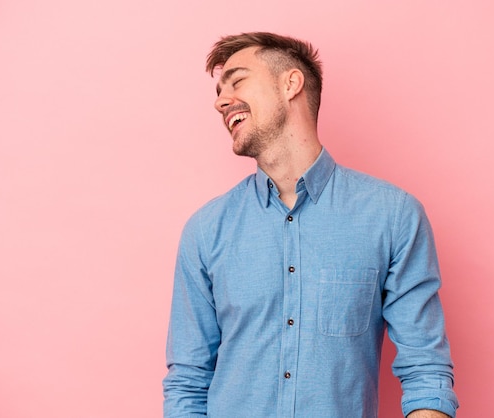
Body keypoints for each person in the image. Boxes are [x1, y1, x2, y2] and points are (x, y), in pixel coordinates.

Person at [163, 32, 459, 418]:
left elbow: (426, 373)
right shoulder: (205, 231)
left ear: (291, 83)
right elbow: (188, 382)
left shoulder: (393, 216)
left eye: (237, 81)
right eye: (220, 90)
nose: (220, 101)